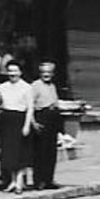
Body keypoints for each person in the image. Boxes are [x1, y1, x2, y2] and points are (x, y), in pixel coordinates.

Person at [0, 61, 33, 193]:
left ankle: (20, 182)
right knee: (9, 153)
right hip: (6, 120)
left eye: (15, 71)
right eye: (10, 71)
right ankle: (12, 181)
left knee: (20, 152)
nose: (12, 74)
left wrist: (26, 126)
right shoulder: (3, 87)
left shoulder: (26, 87)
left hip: (20, 120)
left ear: (20, 72)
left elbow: (30, 108)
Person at [26, 61, 64, 190]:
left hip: (52, 118)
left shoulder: (52, 86)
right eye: (43, 72)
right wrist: (33, 122)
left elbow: (55, 102)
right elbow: (30, 105)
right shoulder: (36, 85)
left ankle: (49, 179)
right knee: (40, 152)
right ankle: (39, 181)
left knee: (51, 151)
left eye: (48, 72)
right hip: (41, 117)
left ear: (52, 73)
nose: (46, 75)